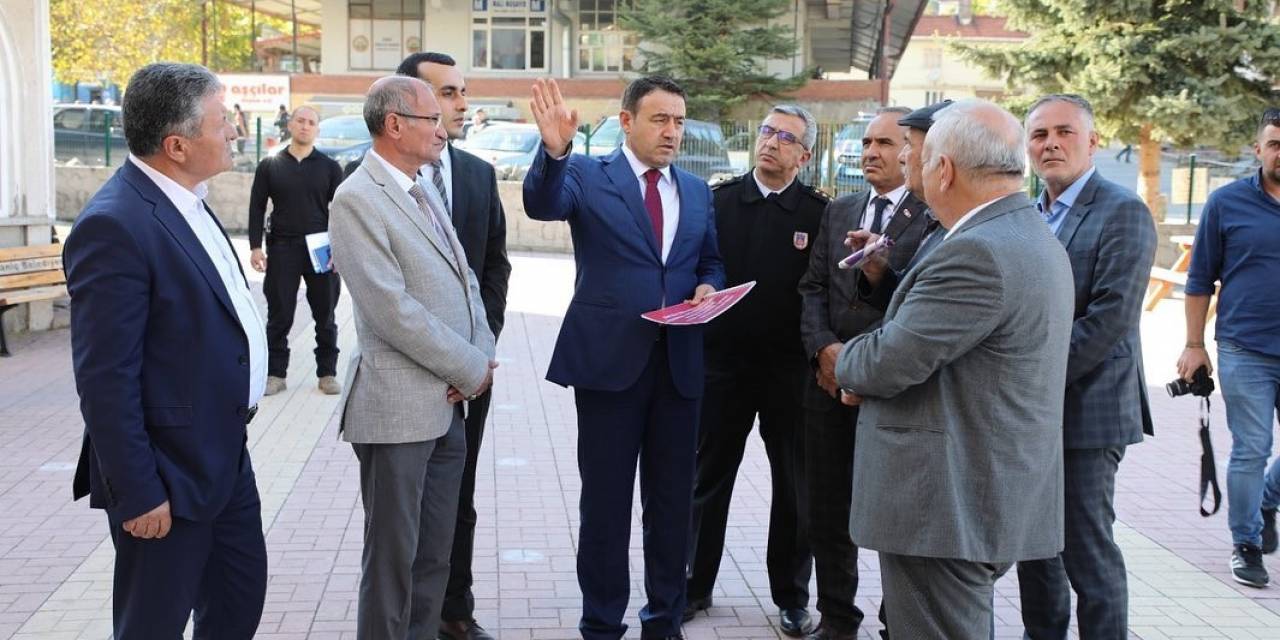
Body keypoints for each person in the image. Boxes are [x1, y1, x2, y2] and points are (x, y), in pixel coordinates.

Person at [834, 100, 1075, 639]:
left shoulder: (977, 252)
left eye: (916, 160)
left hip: (944, 505)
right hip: (975, 494)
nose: (907, 169)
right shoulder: (1025, 233)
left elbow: (888, 361)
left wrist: (845, 362)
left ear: (943, 170)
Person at [63, 62, 268, 639]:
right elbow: (105, 378)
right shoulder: (115, 225)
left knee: (237, 603)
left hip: (223, 454)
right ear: (176, 144)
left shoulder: (187, 198)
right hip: (165, 477)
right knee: (152, 624)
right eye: (223, 121)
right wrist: (139, 492)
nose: (234, 131)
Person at [523, 76, 725, 640]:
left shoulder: (697, 189)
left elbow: (710, 261)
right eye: (660, 119)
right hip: (610, 367)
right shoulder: (588, 175)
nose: (672, 132)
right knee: (606, 508)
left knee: (672, 508)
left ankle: (665, 621)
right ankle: (601, 624)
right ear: (626, 121)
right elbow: (542, 204)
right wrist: (556, 150)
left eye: (680, 121)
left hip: (679, 368)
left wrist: (710, 288)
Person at [328, 75, 497, 640]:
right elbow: (391, 310)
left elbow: (467, 280)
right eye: (431, 119)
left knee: (433, 559)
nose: (444, 128)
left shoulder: (420, 186)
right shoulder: (356, 198)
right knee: (393, 562)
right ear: (395, 125)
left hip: (447, 406)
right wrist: (468, 367)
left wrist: (481, 356)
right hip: (398, 410)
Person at [1015, 94, 1157, 638]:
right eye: (1039, 135)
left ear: (1092, 141)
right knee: (1035, 549)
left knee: (1086, 550)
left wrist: (1031, 378)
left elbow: (1111, 317)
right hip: (1030, 414)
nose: (1050, 143)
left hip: (1087, 409)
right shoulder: (1029, 214)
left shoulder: (1123, 211)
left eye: (1065, 132)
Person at [684, 105, 826, 637]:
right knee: (707, 478)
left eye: (785, 137)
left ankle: (791, 595)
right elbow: (698, 269)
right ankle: (694, 585)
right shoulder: (718, 201)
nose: (771, 142)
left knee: (795, 485)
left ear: (804, 155)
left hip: (790, 372)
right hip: (723, 366)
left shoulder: (818, 214)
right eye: (766, 131)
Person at [794, 106, 929, 640]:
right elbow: (812, 289)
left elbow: (913, 303)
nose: (871, 152)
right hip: (826, 386)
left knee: (897, 512)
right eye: (866, 142)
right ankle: (837, 617)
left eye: (885, 143)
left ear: (911, 151)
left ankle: (899, 619)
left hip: (889, 390)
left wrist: (859, 365)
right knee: (826, 509)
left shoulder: (932, 214)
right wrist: (824, 351)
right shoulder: (840, 208)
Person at [397, 51, 512, 640]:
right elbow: (387, 297)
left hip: (475, 372)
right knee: (405, 506)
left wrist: (476, 349)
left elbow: (496, 264)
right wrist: (445, 357)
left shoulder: (475, 173)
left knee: (459, 494)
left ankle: (453, 610)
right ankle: (403, 615)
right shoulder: (376, 183)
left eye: (462, 91)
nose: (462, 104)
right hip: (411, 376)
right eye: (447, 92)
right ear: (406, 103)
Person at [1179, 106, 1280, 588]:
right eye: (1275, 143)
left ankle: (1266, 499)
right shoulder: (1227, 203)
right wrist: (1193, 344)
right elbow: (1199, 280)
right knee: (1251, 448)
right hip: (1245, 347)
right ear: (1258, 149)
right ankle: (1246, 543)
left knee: (1259, 463)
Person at [248, 105, 345, 397]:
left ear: (317, 129)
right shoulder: (271, 164)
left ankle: (327, 373)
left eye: (311, 122)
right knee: (279, 315)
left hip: (320, 249)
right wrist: (255, 247)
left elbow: (341, 212)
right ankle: (275, 374)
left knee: (325, 314)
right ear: (290, 125)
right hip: (282, 247)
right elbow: (257, 206)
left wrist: (341, 251)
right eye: (300, 121)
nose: (305, 126)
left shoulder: (329, 167)